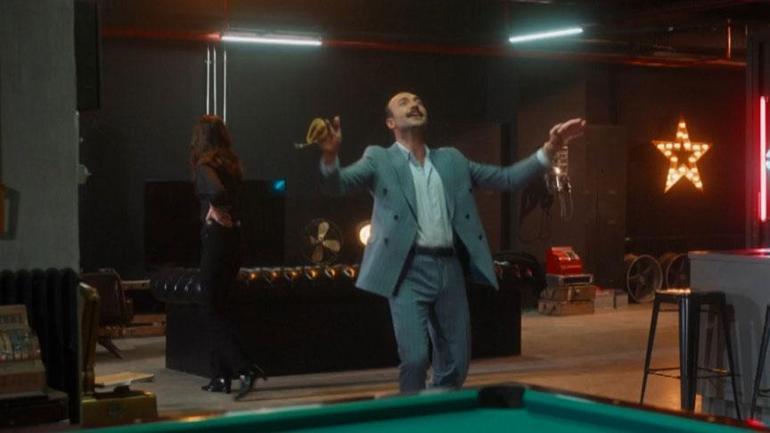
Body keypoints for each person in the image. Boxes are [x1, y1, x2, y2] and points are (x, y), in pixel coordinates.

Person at [318, 92, 584, 392]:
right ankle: (413, 414)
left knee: (457, 362)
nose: (414, 104)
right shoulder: (379, 159)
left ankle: (438, 407)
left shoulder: (452, 160)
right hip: (407, 271)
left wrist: (551, 148)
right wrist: (329, 157)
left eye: (418, 101)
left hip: (449, 268)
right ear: (391, 123)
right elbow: (337, 184)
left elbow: (507, 178)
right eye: (404, 103)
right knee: (415, 359)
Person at [190, 115, 266, 401]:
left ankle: (244, 368)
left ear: (199, 138)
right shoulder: (232, 167)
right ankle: (219, 377)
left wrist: (214, 208)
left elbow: (217, 192)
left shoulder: (204, 167)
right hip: (235, 240)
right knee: (219, 306)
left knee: (208, 306)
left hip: (217, 240)